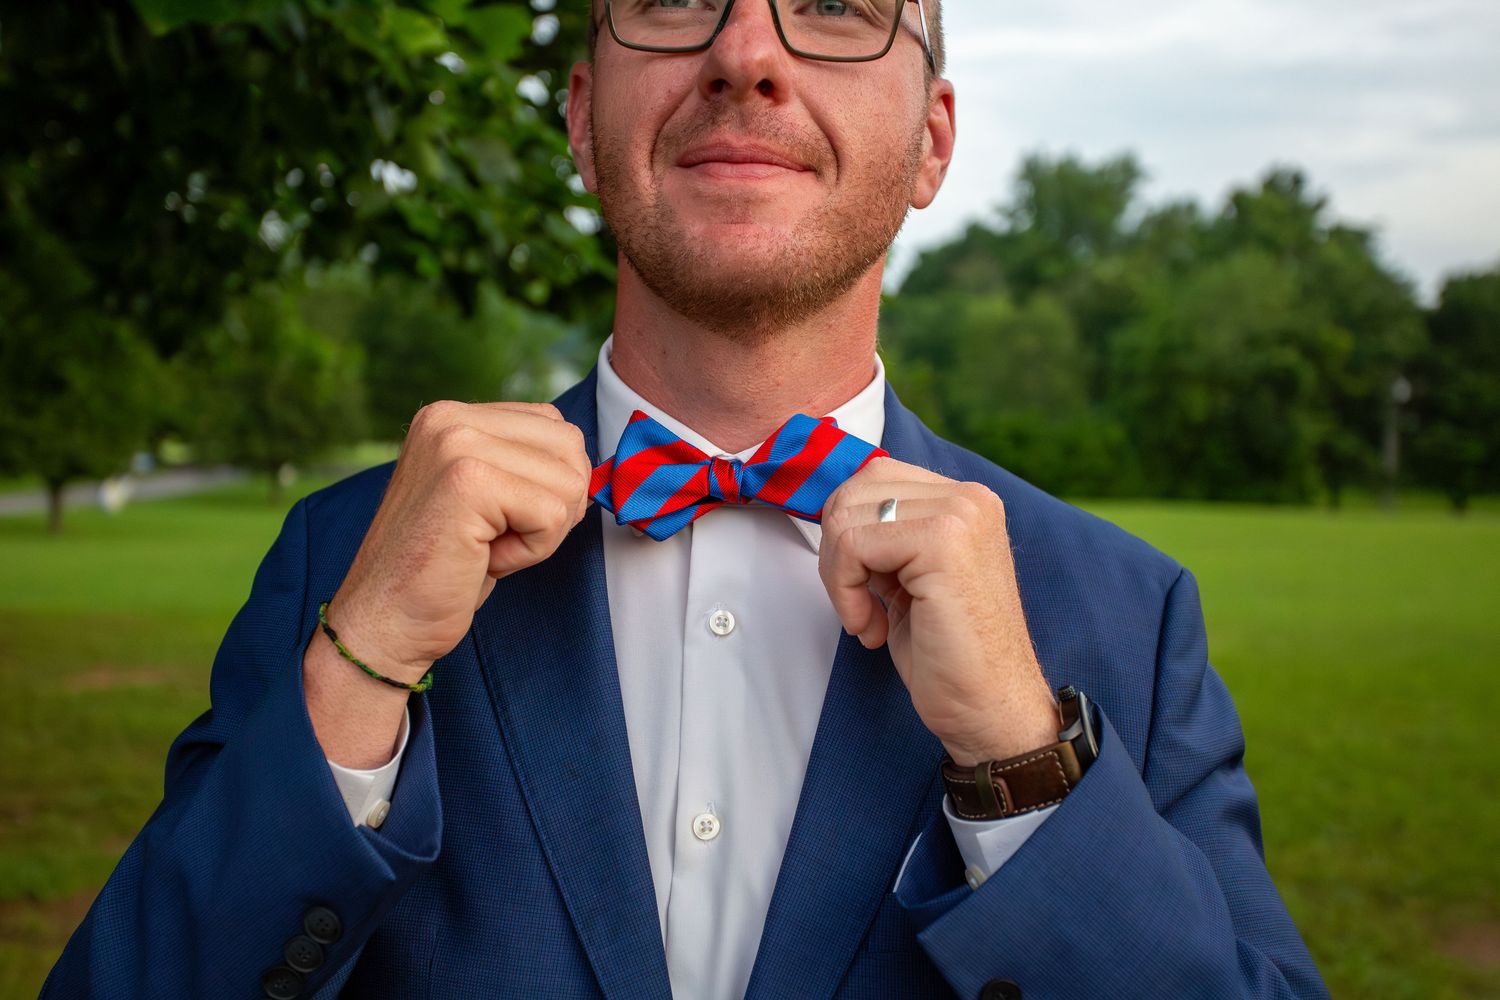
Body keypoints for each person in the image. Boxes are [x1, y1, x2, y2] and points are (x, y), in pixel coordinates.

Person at [44, 2, 1330, 998]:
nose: (745, 56)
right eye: (671, 2)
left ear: (932, 141)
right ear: (580, 123)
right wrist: (358, 669)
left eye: (832, 6)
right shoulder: (345, 555)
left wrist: (1021, 758)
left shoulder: (1129, 613)